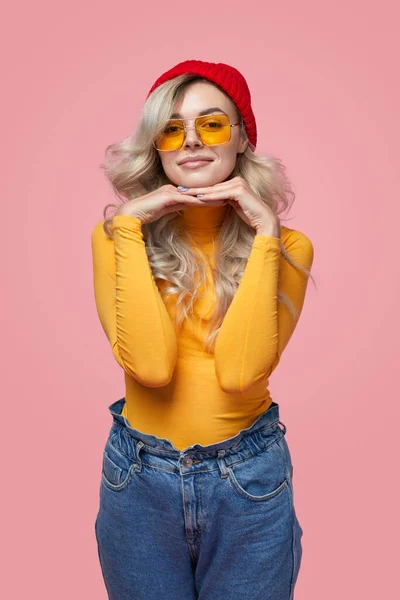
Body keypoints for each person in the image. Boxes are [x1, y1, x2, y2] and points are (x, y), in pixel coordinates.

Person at [91, 59, 315, 600]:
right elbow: (149, 367)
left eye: (211, 124)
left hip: (249, 483)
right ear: (157, 146)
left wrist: (265, 232)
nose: (191, 140)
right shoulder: (116, 238)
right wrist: (128, 228)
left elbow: (241, 374)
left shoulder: (288, 247)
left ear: (241, 137)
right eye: (172, 128)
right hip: (139, 478)